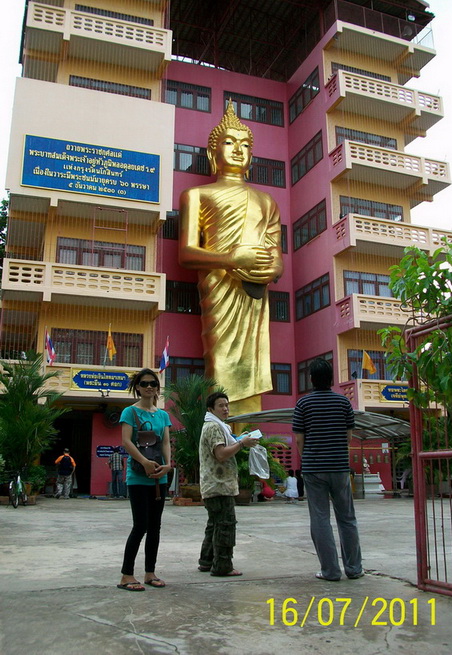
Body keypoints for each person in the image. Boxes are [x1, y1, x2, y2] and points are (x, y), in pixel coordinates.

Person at [179, 102, 283, 415]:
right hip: (219, 292)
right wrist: (230, 258)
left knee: (252, 368)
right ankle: (220, 437)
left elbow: (275, 253)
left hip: (253, 295)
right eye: (229, 142)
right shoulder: (197, 195)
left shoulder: (267, 201)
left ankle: (251, 442)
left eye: (245, 144)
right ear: (213, 154)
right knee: (220, 361)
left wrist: (273, 267)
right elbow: (185, 254)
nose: (238, 149)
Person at [292, 358, 363, 581]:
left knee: (320, 518)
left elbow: (299, 440)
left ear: (311, 379)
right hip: (339, 467)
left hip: (314, 468)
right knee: (347, 519)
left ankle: (330, 571)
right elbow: (348, 437)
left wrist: (309, 461)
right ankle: (354, 569)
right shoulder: (344, 403)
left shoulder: (303, 404)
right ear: (331, 378)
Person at [117, 368, 172, 592]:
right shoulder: (130, 412)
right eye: (145, 383)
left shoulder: (163, 415)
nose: (149, 387)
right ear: (137, 387)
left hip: (160, 478)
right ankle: (126, 575)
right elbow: (126, 441)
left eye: (153, 383)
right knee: (140, 525)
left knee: (155, 527)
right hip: (139, 477)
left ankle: (150, 573)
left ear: (157, 388)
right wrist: (144, 462)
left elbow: (166, 442)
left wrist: (168, 465)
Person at [198, 391, 259, 576]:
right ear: (211, 409)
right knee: (225, 525)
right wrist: (242, 444)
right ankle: (223, 566)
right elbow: (221, 454)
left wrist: (241, 440)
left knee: (214, 524)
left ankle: (206, 561)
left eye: (227, 405)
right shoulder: (215, 428)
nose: (225, 409)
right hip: (219, 485)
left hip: (215, 485)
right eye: (221, 406)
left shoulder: (216, 426)